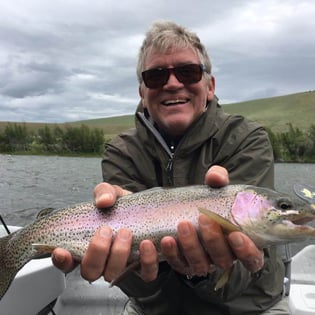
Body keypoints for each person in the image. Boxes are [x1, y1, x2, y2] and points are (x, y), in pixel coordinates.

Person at [52, 21, 288, 314]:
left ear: (210, 86)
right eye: (156, 76)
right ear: (142, 91)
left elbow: (247, 272)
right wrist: (150, 268)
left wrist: (202, 271)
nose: (173, 83)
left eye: (188, 72)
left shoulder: (246, 139)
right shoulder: (121, 151)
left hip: (248, 308)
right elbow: (137, 282)